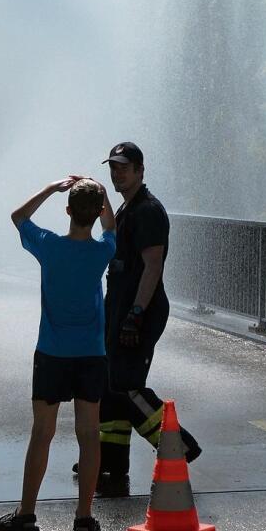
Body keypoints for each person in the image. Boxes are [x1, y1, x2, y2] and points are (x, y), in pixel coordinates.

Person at [0, 176, 116, 531]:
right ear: (95, 213)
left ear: (67, 211)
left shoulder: (48, 246)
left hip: (52, 354)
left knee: (42, 433)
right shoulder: (102, 251)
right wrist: (102, 194)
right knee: (89, 436)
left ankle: (26, 514)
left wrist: (51, 187)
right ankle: (83, 519)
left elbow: (17, 216)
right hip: (91, 355)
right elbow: (111, 225)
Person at [86, 142, 201, 480]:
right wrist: (100, 193)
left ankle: (177, 445)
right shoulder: (127, 209)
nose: (117, 172)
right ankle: (112, 461)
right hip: (120, 308)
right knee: (110, 386)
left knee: (126, 386)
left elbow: (152, 267)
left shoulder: (148, 211)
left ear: (140, 170)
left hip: (140, 311)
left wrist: (135, 315)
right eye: (113, 167)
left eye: (124, 167)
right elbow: (110, 230)